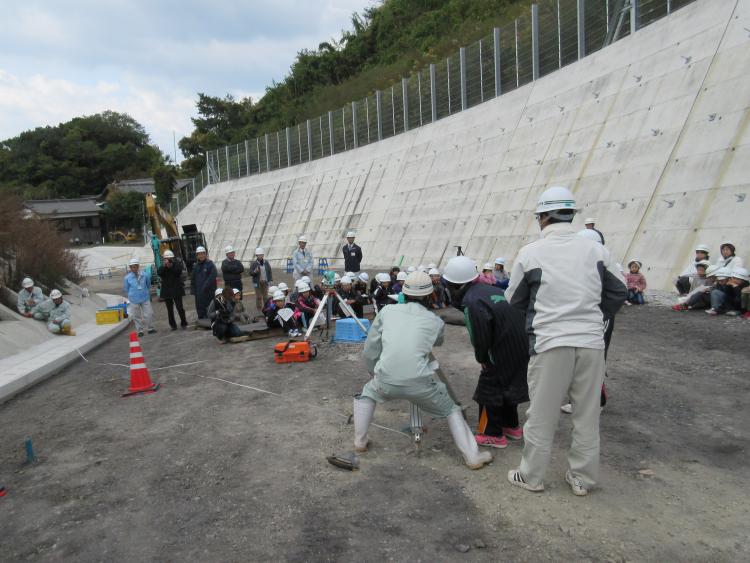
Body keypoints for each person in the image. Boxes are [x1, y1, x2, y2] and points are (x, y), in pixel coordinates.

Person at [505, 186, 627, 496]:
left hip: (549, 342)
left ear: (542, 217)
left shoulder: (531, 253)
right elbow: (618, 291)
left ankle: (531, 476)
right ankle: (582, 479)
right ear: (572, 214)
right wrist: (594, 316)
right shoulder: (596, 251)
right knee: (587, 414)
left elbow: (514, 299)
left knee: (542, 415)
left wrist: (542, 314)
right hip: (590, 342)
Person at [353, 271, 492, 470]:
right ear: (430, 295)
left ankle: (360, 442)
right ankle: (472, 456)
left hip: (385, 379)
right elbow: (438, 341)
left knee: (367, 394)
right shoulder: (435, 321)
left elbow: (370, 350)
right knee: (451, 409)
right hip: (420, 383)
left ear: (403, 292)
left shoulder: (387, 312)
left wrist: (374, 373)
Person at [443, 256, 529, 449]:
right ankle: (511, 426)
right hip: (520, 344)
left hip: (501, 348)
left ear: (453, 285)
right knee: (508, 383)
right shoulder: (491, 289)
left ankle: (492, 433)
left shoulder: (471, 301)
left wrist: (482, 358)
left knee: (489, 389)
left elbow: (479, 336)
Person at [123, 258, 155, 336]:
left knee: (149, 313)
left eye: (135, 266)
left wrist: (146, 292)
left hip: (145, 297)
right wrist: (132, 294)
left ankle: (150, 328)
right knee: (136, 316)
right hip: (133, 299)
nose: (134, 268)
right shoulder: (127, 278)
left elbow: (148, 285)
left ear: (138, 266)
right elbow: (126, 288)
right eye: (132, 267)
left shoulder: (145, 275)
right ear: (130, 268)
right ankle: (140, 331)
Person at [157, 250, 188, 330]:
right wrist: (165, 266)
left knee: (180, 308)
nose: (167, 260)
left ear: (172, 258)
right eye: (166, 259)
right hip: (167, 290)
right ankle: (172, 325)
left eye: (169, 258)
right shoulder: (162, 266)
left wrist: (171, 266)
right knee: (169, 310)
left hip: (176, 289)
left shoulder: (177, 264)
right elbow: (159, 273)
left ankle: (183, 322)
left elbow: (178, 272)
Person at [191, 246, 217, 320]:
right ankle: (202, 321)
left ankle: (212, 321)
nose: (201, 256)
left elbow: (213, 276)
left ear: (205, 254)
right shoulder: (195, 266)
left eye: (202, 254)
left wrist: (205, 286)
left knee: (210, 307)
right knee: (200, 307)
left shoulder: (210, 264)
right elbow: (193, 279)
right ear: (197, 256)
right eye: (199, 254)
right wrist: (193, 290)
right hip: (199, 293)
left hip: (209, 292)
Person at [249, 246, 273, 311]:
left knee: (265, 296)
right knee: (259, 296)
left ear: (263, 255)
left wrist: (270, 279)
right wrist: (255, 271)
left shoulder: (266, 262)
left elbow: (269, 271)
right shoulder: (254, 264)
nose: (260, 256)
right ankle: (259, 308)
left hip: (265, 282)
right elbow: (250, 273)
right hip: (257, 282)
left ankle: (266, 307)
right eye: (259, 255)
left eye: (261, 255)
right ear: (256, 256)